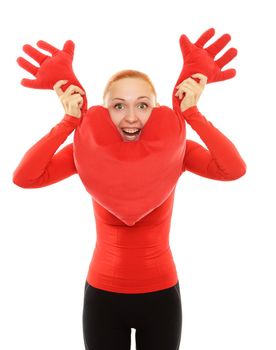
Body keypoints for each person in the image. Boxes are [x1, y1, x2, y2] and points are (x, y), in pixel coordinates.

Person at [13, 69, 246, 350]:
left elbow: (233, 169)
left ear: (156, 110)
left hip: (161, 296)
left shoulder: (176, 150)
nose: (131, 116)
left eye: (143, 105)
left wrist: (192, 114)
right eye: (119, 106)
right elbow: (25, 177)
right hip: (103, 296)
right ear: (104, 111)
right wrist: (68, 122)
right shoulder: (87, 151)